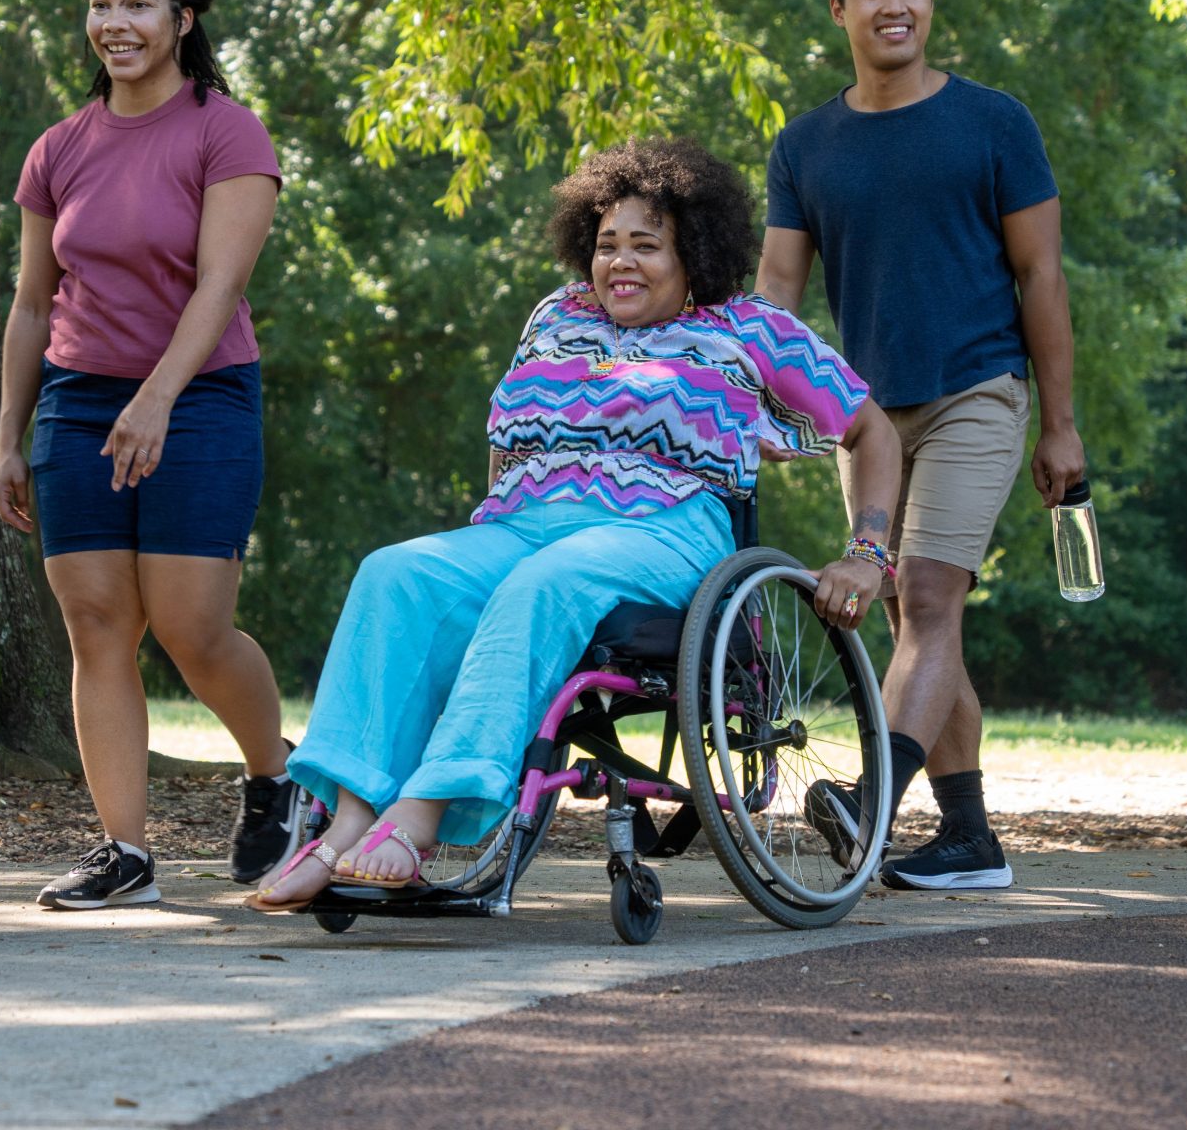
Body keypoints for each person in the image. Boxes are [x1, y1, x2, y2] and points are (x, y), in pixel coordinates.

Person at [248, 138, 900, 911]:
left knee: (548, 581)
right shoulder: (558, 315)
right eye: (606, 245)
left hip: (665, 534)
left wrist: (867, 552)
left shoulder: (752, 329)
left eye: (646, 246)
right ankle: (346, 820)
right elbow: (507, 440)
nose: (619, 263)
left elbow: (873, 432)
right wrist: (483, 536)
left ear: (692, 249)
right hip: (527, 522)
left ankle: (420, 818)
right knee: (397, 572)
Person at [760, 0, 1085, 892]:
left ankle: (869, 804)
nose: (894, 5)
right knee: (910, 618)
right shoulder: (805, 143)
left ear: (929, 1)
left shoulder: (993, 123)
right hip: (865, 419)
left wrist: (1060, 423)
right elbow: (776, 288)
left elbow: (1042, 280)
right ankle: (970, 841)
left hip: (977, 391)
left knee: (933, 598)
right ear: (838, 8)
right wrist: (758, 400)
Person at [0, 0, 292, 911]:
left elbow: (222, 283)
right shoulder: (58, 150)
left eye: (139, 4)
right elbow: (32, 305)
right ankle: (124, 853)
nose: (115, 22)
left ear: (183, 21)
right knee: (96, 627)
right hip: (75, 403)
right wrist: (7, 435)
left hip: (200, 397)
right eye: (101, 4)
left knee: (193, 630)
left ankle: (277, 777)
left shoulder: (226, 133)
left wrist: (157, 397)